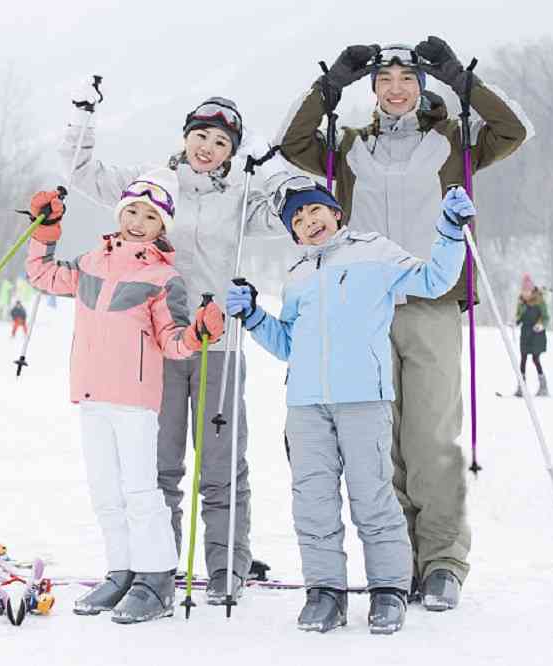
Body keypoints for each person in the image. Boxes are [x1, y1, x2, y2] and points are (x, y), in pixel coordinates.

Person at [278, 37, 532, 610]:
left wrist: (463, 83)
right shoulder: (346, 147)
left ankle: (442, 560)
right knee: (379, 440)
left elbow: (514, 131)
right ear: (372, 90)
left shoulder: (452, 139)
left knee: (430, 439)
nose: (396, 89)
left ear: (422, 88)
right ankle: (399, 562)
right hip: (360, 309)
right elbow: (292, 141)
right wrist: (328, 87)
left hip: (432, 301)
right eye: (385, 80)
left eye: (408, 80)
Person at [62, 83, 291, 603]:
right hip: (154, 346)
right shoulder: (150, 184)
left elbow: (294, 214)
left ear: (233, 151)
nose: (206, 147)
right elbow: (81, 173)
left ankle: (226, 568)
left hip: (219, 343)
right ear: (185, 137)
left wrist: (274, 165)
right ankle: (153, 570)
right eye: (199, 135)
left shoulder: (241, 194)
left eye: (220, 141)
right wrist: (83, 118)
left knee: (221, 463)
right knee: (157, 466)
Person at [226, 180, 471, 633]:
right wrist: (255, 316)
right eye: (296, 221)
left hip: (362, 399)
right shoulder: (297, 274)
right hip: (305, 406)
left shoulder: (373, 251)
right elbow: (288, 345)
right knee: (312, 501)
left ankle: (389, 589)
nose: (308, 222)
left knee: (372, 496)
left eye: (314, 211)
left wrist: (450, 230)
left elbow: (435, 279)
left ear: (337, 212)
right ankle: (325, 591)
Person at [24, 170, 225, 623]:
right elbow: (41, 274)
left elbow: (172, 340)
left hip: (134, 398)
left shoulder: (163, 276)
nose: (138, 220)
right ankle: (122, 570)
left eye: (151, 215)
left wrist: (197, 334)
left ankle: (155, 580)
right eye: (132, 210)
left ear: (162, 226)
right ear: (120, 214)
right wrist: (46, 232)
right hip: (91, 392)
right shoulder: (91, 262)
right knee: (105, 491)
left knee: (140, 490)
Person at [513, 274, 549, 397]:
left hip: (537, 334)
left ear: (532, 290)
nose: (525, 293)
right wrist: (514, 322)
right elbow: (518, 316)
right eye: (523, 291)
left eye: (527, 290)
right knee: (522, 359)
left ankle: (543, 386)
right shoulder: (521, 302)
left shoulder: (539, 300)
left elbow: (546, 317)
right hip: (525, 333)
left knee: (535, 359)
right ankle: (521, 388)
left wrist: (540, 324)